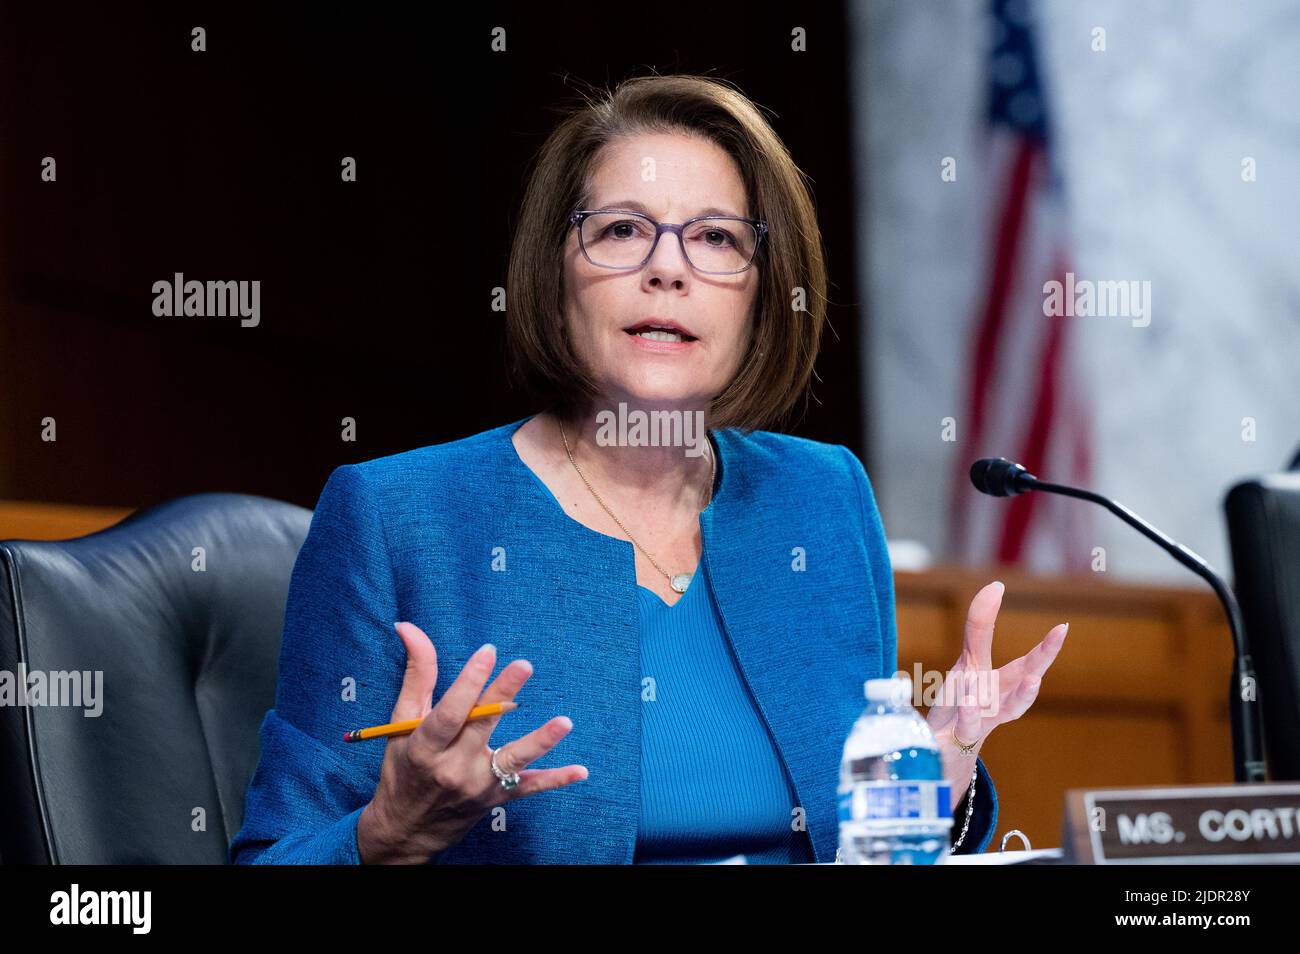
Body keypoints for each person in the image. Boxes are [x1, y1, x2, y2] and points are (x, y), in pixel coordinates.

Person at [229, 73, 1067, 865]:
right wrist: (390, 833)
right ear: (556, 278)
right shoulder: (395, 518)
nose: (668, 268)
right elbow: (276, 855)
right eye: (622, 230)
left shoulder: (822, 497)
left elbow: (865, 847)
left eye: (714, 238)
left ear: (761, 296)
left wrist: (946, 758)